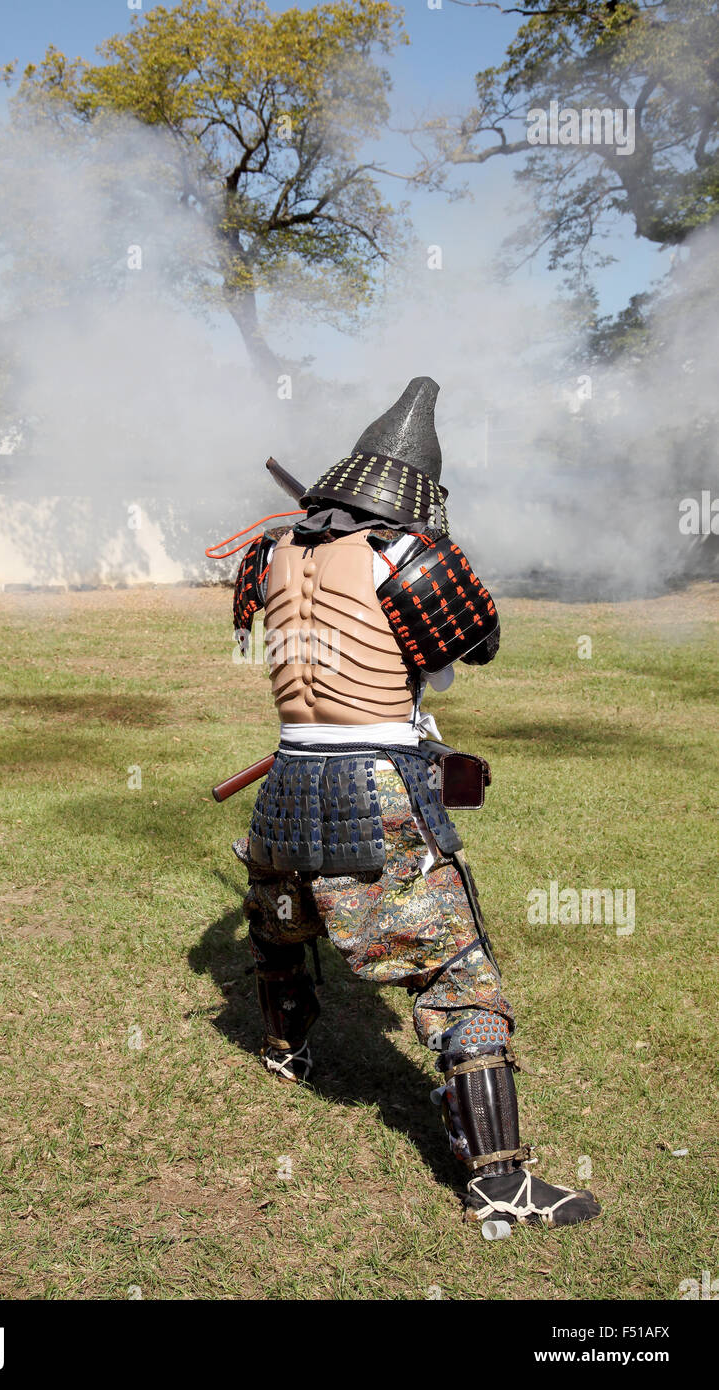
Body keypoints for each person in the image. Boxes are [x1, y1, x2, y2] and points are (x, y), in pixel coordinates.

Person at [229, 378, 600, 1228]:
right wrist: (426, 563)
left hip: (286, 781)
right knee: (459, 976)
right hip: (375, 781)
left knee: (281, 919)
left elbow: (265, 642)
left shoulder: (269, 556)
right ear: (413, 500)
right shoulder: (412, 558)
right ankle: (499, 1182)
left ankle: (286, 1048)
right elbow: (476, 648)